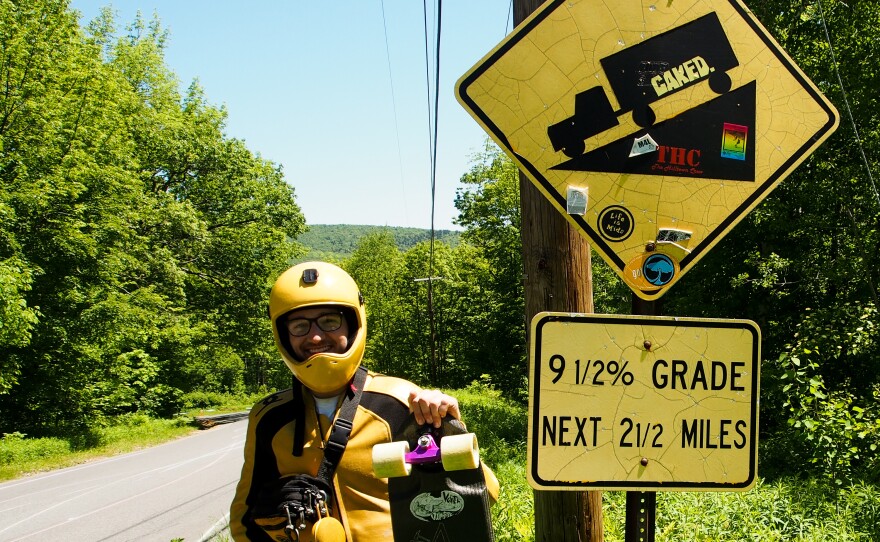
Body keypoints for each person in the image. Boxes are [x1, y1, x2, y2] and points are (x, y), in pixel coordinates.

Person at [230, 261, 498, 541]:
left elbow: (486, 494)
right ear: (283, 335)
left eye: (329, 321)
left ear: (354, 323)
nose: (316, 336)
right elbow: (244, 522)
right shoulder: (269, 417)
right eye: (299, 325)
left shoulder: (400, 401)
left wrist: (450, 429)